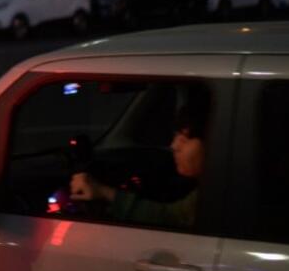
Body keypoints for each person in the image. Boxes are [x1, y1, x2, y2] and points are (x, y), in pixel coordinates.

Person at [68, 96, 209, 228]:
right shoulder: (209, 188)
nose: (174, 146)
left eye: (184, 139)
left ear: (214, 143)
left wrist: (104, 192)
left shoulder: (218, 195)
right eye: (176, 137)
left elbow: (169, 218)